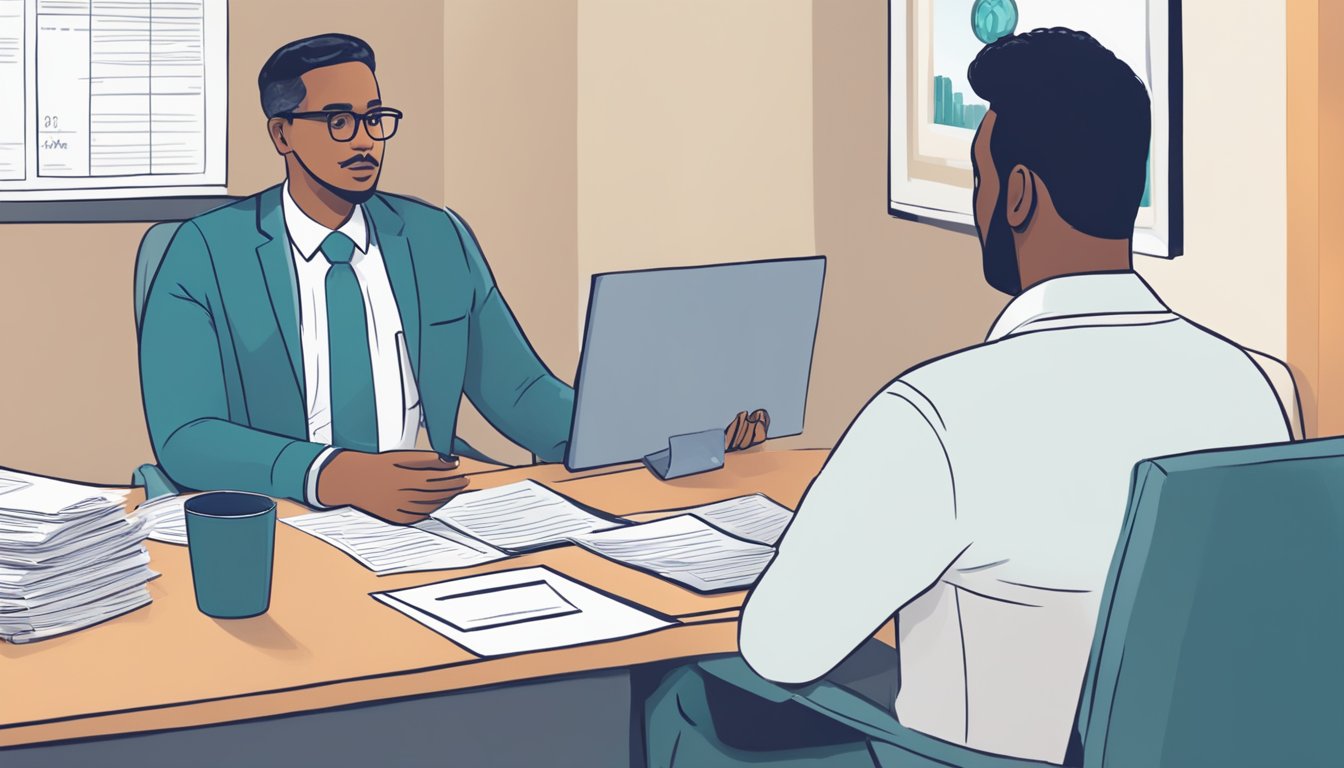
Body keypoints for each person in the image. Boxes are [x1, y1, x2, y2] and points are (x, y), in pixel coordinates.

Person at [646, 27, 1291, 766]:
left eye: (979, 178)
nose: (977, 198)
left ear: (1018, 195)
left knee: (685, 699)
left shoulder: (939, 413)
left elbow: (780, 648)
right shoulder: (1250, 388)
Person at [138, 34, 768, 524]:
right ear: (281, 133)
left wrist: (671, 424)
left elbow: (521, 394)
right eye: (338, 121)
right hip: (288, 522)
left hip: (429, 518)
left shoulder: (436, 238)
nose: (366, 141)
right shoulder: (204, 252)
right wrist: (340, 475)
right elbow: (188, 436)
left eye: (375, 117)